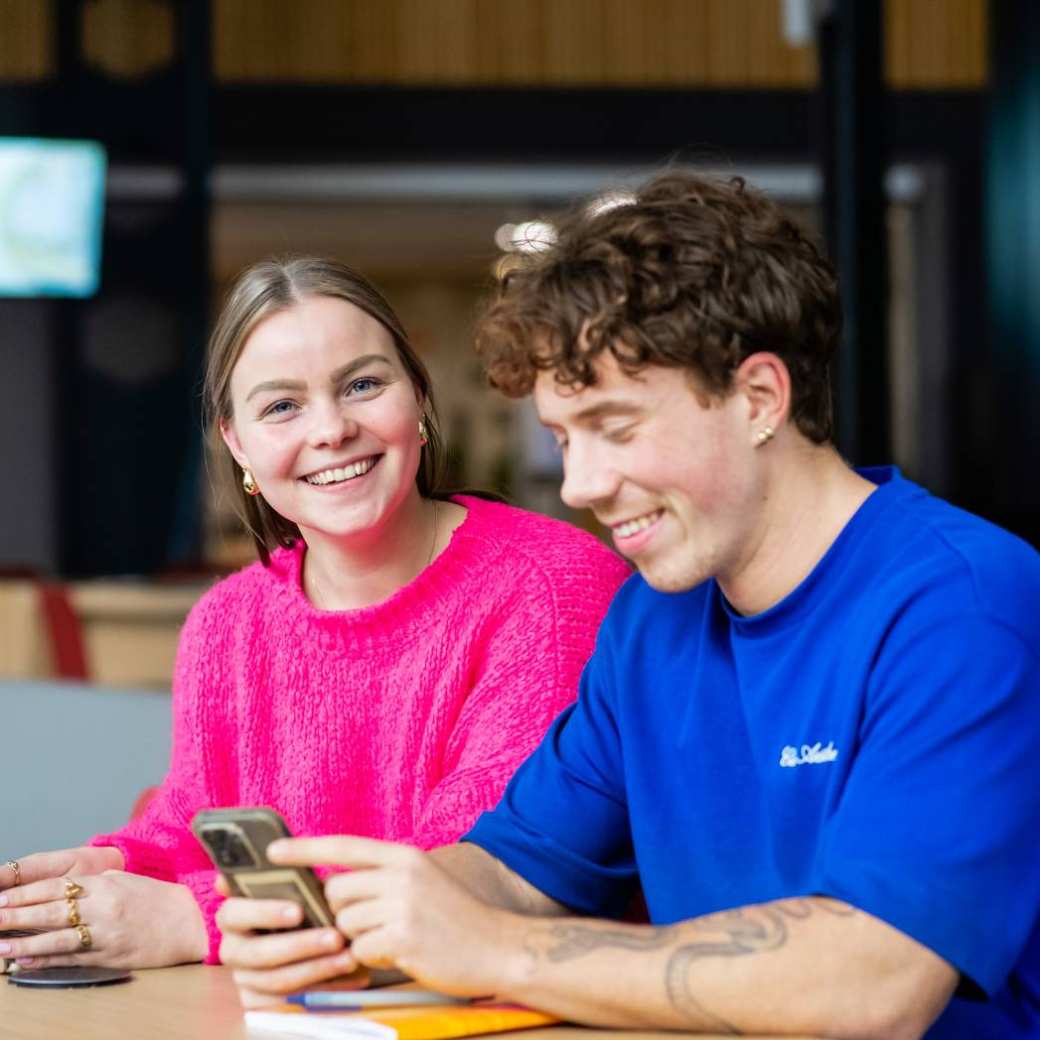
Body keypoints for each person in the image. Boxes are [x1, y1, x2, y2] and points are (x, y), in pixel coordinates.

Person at [216, 174, 1040, 1038]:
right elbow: (512, 869)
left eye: (615, 427)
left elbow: (873, 987)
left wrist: (496, 950)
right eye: (564, 438)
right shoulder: (652, 621)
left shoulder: (962, 603)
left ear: (759, 397)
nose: (580, 485)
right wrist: (353, 923)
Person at [0, 257, 629, 973]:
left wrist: (192, 919)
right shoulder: (226, 622)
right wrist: (119, 861)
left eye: (363, 384)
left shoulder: (552, 588)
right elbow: (197, 828)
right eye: (281, 406)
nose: (331, 430)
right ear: (237, 444)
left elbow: (479, 876)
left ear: (419, 400)